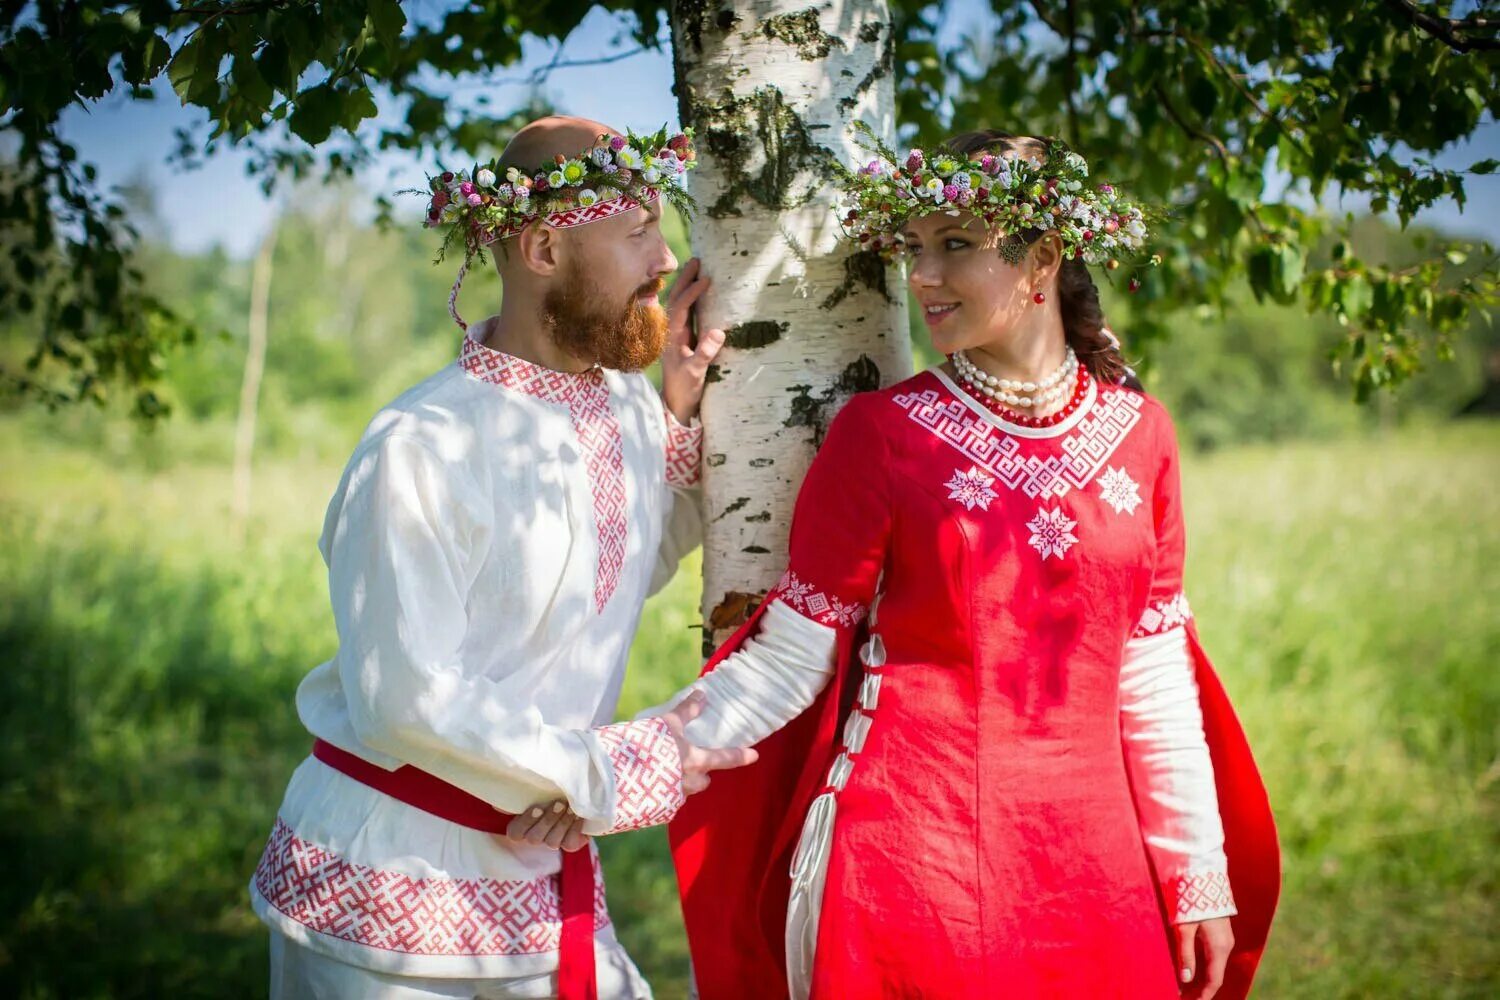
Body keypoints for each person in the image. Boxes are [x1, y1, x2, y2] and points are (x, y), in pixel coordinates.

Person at [514, 128, 1280, 999]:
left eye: (955, 244)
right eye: (915, 248)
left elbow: (1153, 676)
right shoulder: (884, 436)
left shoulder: (1143, 436)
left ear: (1043, 259)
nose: (922, 275)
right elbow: (786, 664)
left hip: (1098, 878)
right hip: (917, 873)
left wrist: (1196, 870)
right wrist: (611, 769)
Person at [247, 115, 754, 1000]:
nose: (666, 259)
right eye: (638, 232)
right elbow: (403, 698)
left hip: (536, 877)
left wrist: (675, 421)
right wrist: (601, 771)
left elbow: (623, 575)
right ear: (544, 249)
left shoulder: (625, 408)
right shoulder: (421, 444)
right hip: (388, 892)